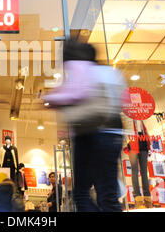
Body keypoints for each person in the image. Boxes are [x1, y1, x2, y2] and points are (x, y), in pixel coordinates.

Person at [43, 40, 126, 212]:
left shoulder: (78, 66)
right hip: (114, 134)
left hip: (90, 133)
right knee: (107, 194)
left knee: (81, 193)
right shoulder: (111, 73)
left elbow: (77, 93)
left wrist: (49, 98)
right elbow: (122, 100)